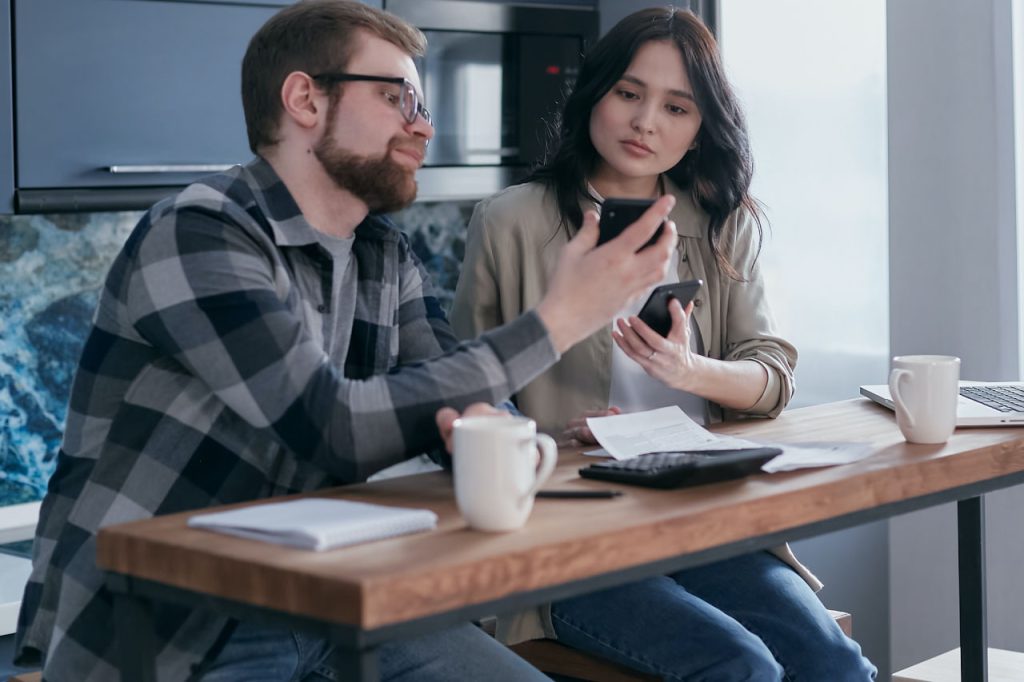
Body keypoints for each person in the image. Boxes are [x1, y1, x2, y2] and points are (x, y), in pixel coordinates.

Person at [13, 2, 680, 680]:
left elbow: (450, 383)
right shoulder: (197, 232)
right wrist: (562, 318)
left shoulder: (382, 253)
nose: (424, 126)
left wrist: (507, 431)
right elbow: (333, 424)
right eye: (399, 98)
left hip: (332, 593)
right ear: (305, 98)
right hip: (174, 620)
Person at [451, 7, 877, 681]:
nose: (646, 122)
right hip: (572, 542)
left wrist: (691, 371)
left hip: (704, 520)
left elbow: (772, 376)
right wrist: (550, 439)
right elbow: (467, 397)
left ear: (701, 129)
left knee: (834, 663)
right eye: (629, 93)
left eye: (677, 107)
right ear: (595, 93)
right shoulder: (510, 222)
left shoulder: (718, 222)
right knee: (743, 668)